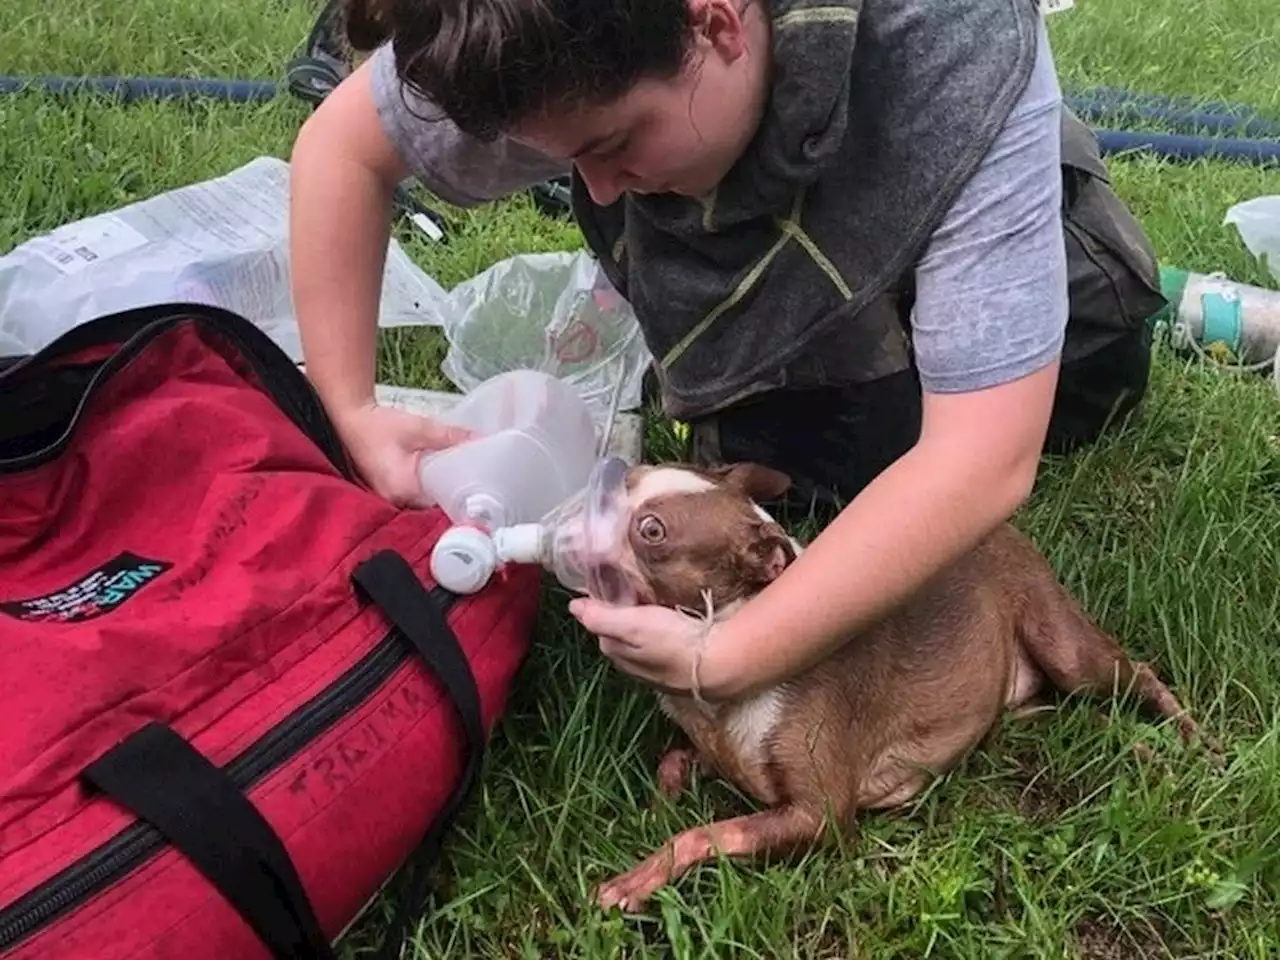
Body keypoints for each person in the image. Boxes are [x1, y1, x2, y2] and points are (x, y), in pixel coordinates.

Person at [288, 0, 1168, 702]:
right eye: (558, 159)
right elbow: (341, 151)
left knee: (1030, 395)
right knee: (803, 461)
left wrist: (734, 652)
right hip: (760, 222)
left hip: (1043, 276)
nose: (589, 191)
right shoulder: (527, 29)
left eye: (613, 143)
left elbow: (981, 458)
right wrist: (353, 408)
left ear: (713, 23)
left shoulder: (955, 58)